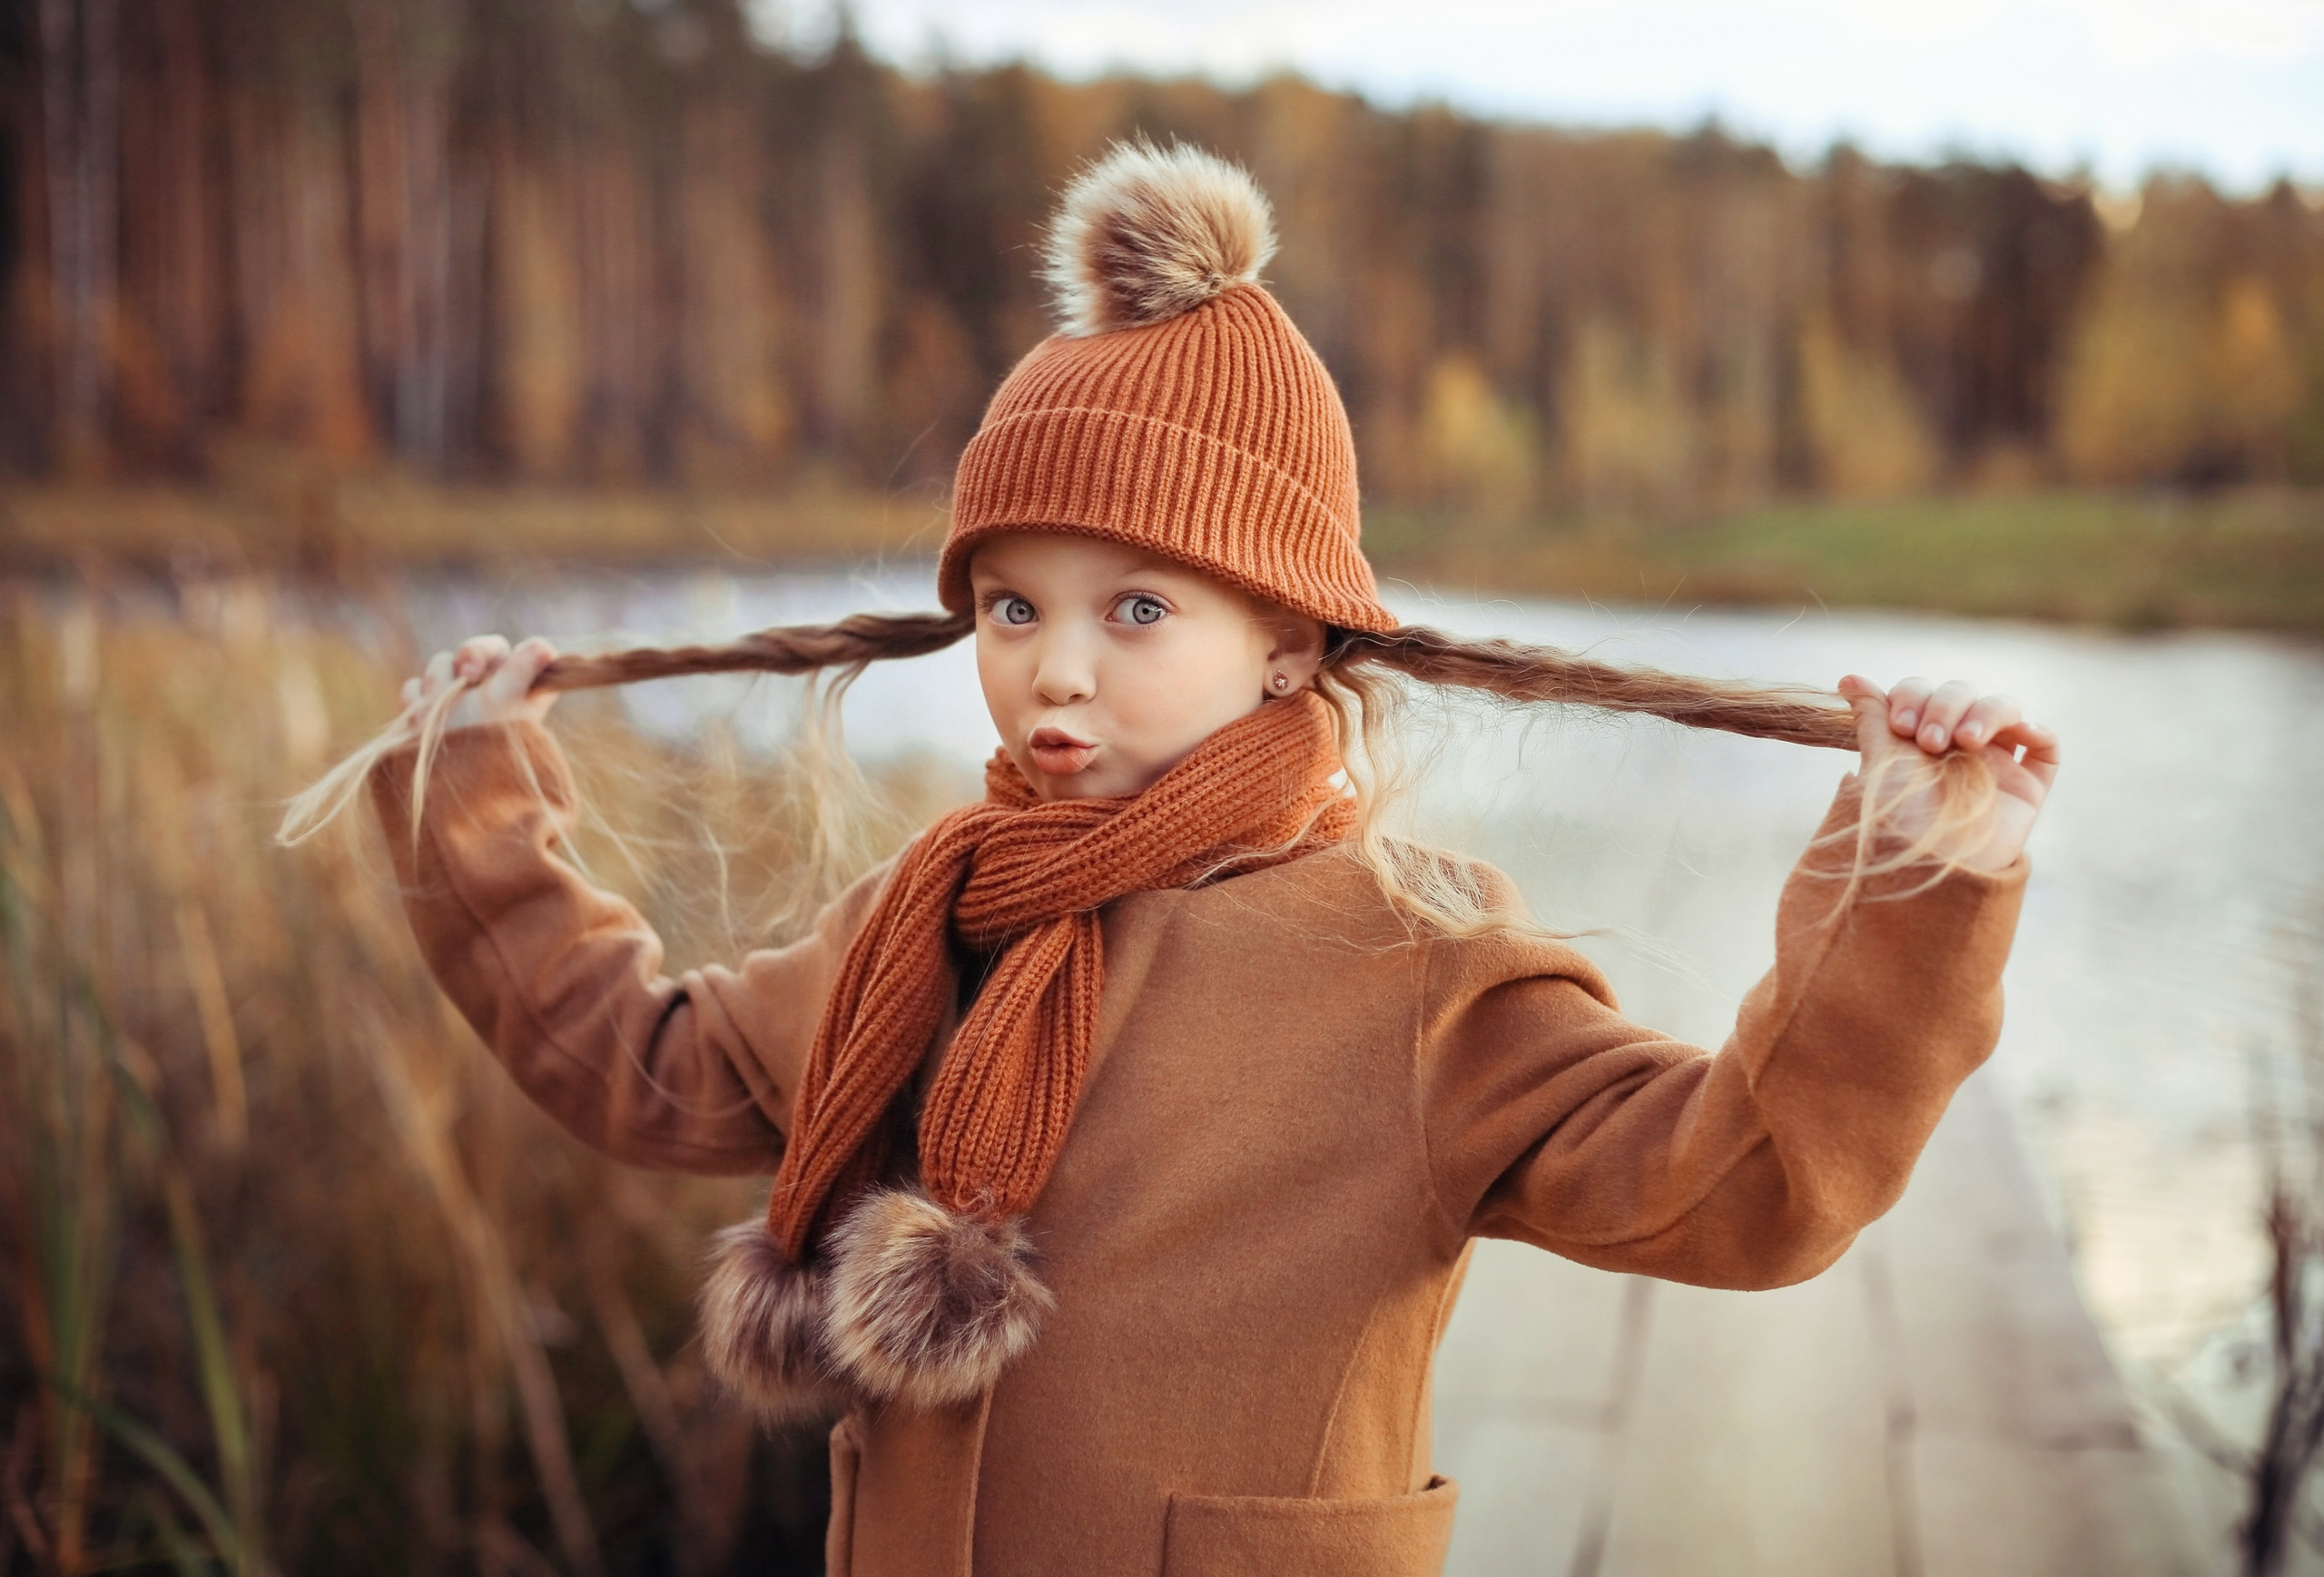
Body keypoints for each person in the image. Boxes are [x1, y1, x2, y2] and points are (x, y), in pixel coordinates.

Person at [286, 143, 2056, 1577]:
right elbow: (649, 1067)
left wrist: (1916, 875)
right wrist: (473, 807)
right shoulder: (932, 916)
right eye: (1008, 603)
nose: (1054, 663)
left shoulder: (1409, 967)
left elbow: (1736, 1183)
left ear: (1286, 642)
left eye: (1137, 605)